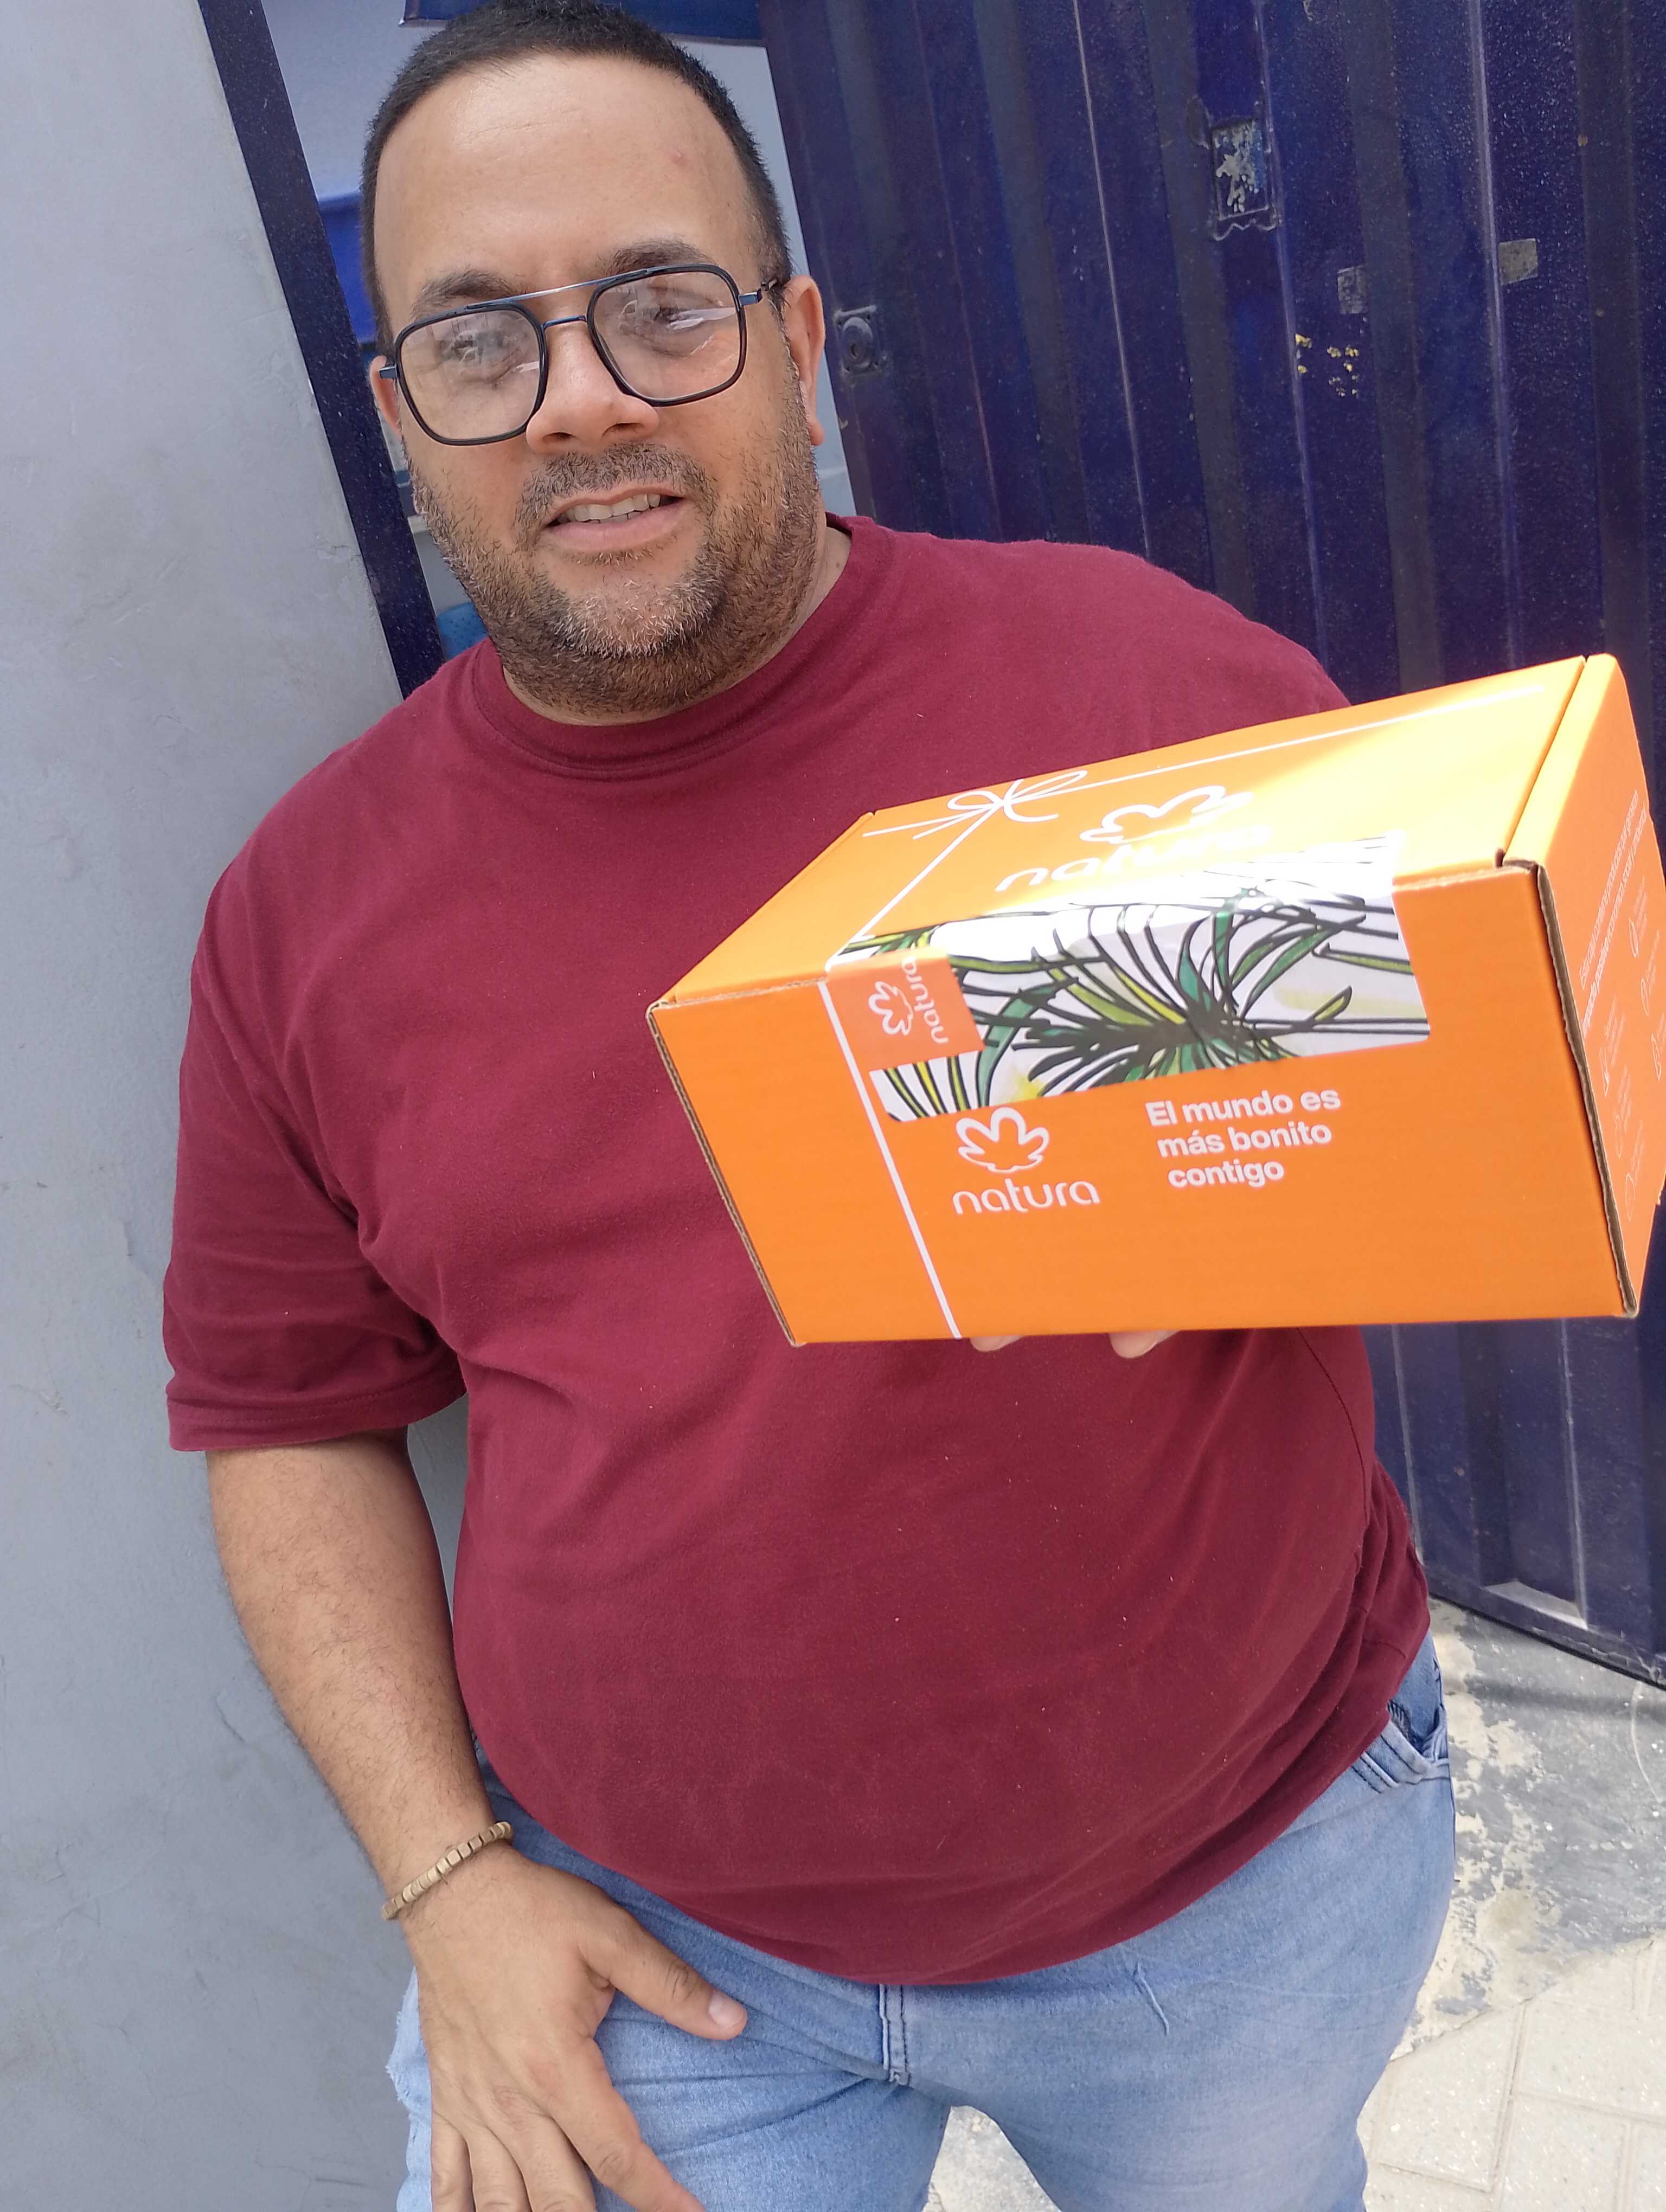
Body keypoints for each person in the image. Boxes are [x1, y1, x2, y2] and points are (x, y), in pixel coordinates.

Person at [162, 5, 1453, 2208]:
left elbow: (1482, 1107)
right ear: (400, 416)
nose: (579, 396)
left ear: (793, 339)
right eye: (478, 342)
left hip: (1237, 1885)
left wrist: (1300, 1190)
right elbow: (288, 1419)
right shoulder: (305, 912)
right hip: (641, 1950)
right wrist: (444, 1881)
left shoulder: (1154, 699)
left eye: (659, 306)